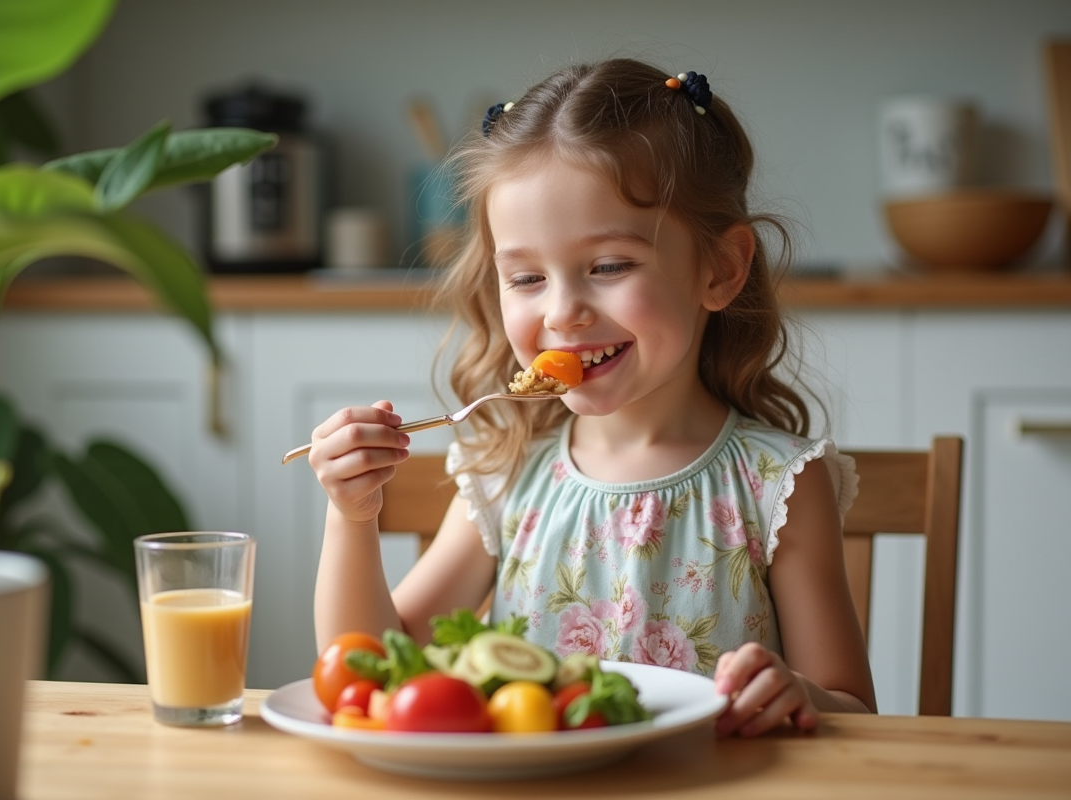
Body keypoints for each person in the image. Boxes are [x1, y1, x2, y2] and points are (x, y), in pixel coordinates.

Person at [306, 57, 876, 737]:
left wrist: (799, 693)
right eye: (525, 278)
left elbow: (854, 710)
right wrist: (351, 514)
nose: (563, 312)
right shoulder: (507, 475)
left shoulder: (778, 485)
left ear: (720, 270)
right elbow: (370, 666)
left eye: (609, 267)